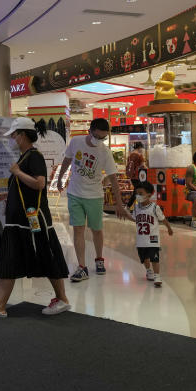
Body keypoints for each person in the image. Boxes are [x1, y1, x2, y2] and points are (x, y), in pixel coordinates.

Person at [0, 117, 71, 317]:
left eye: (15, 134)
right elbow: (26, 186)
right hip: (22, 220)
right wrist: (7, 193)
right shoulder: (25, 156)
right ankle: (0, 305)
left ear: (23, 135)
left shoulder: (32, 157)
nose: (12, 138)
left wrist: (17, 172)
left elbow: (39, 183)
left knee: (42, 254)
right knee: (17, 257)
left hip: (30, 219)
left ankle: (60, 299)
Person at [56, 118, 130, 282]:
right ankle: (82, 267)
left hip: (95, 196)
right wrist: (60, 178)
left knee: (97, 229)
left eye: (103, 138)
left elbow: (113, 179)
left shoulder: (105, 152)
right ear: (90, 131)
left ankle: (99, 259)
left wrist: (119, 203)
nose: (100, 141)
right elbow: (67, 160)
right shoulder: (76, 142)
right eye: (98, 137)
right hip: (75, 193)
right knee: (78, 229)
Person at [132, 181, 173, 285]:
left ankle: (157, 276)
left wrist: (169, 228)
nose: (138, 196)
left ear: (149, 195)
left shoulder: (155, 207)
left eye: (141, 194)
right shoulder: (136, 208)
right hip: (141, 239)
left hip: (153, 239)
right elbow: (133, 219)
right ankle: (148, 271)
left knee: (155, 258)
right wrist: (124, 213)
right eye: (137, 194)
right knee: (145, 258)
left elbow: (163, 219)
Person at [125, 141, 147, 208]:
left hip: (132, 176)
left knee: (137, 191)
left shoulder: (130, 155)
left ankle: (130, 206)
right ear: (139, 147)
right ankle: (129, 206)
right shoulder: (139, 155)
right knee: (139, 191)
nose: (142, 149)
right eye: (141, 148)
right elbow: (143, 166)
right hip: (138, 176)